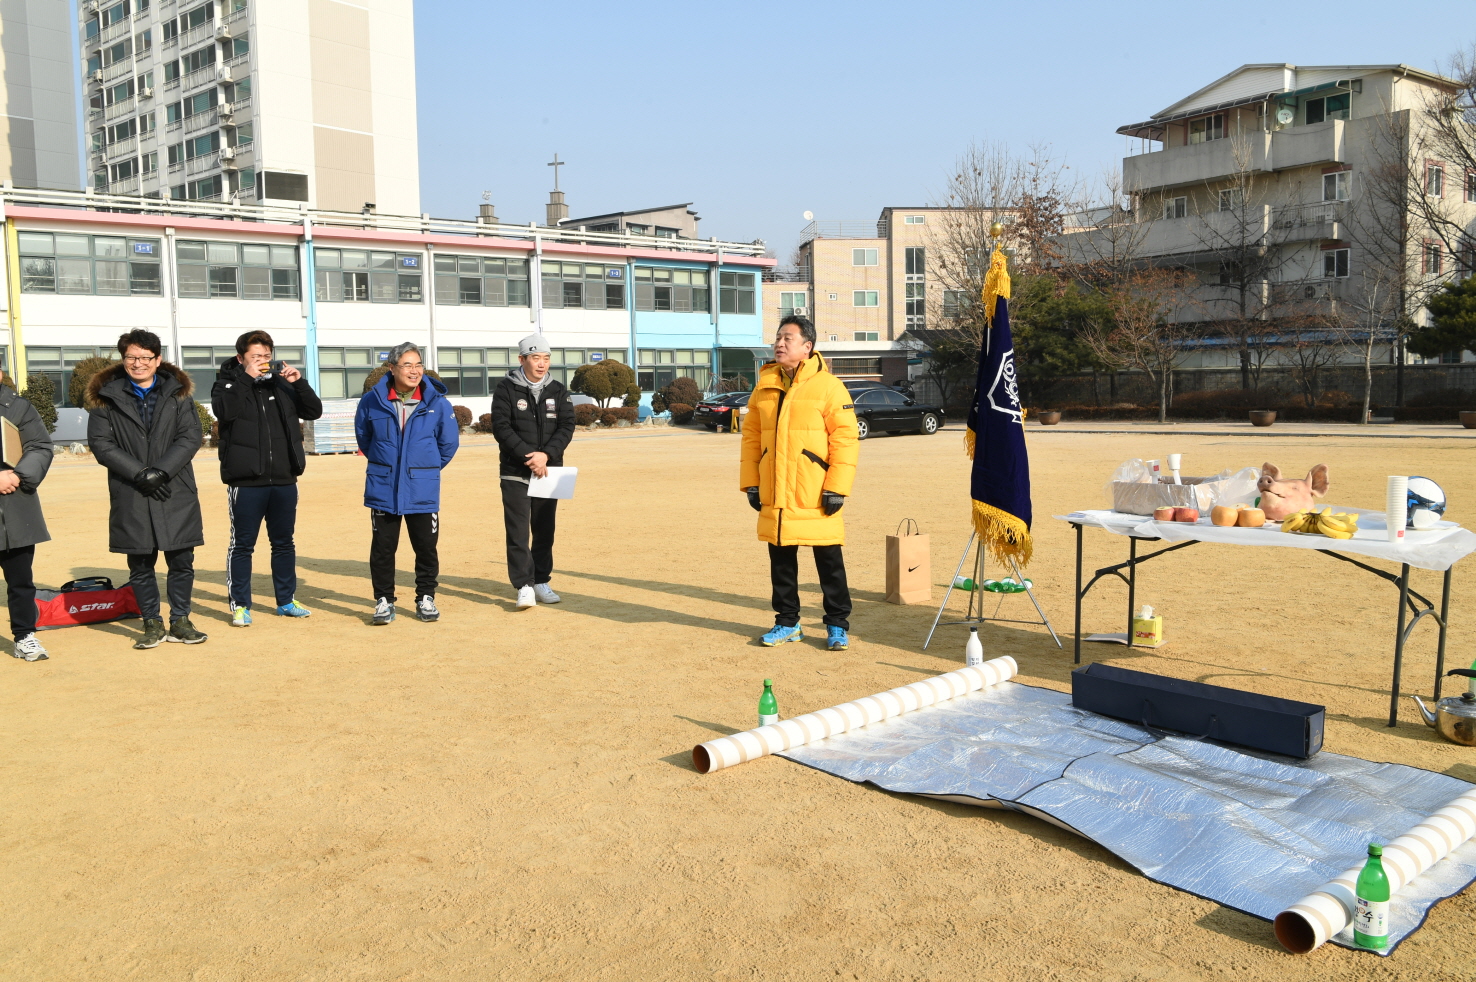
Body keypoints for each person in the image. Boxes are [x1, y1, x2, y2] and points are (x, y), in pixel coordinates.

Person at [739, 314, 859, 650]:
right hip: (775, 489)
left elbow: (846, 439)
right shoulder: (764, 385)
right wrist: (751, 482)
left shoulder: (829, 387)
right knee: (781, 561)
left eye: (787, 338)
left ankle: (837, 624)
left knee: (829, 561)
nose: (779, 343)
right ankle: (787, 622)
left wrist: (837, 486)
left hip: (815, 489)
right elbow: (750, 438)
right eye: (778, 337)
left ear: (807, 347)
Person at [87, 329, 208, 648]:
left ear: (157, 360)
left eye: (145, 357)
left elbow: (190, 436)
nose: (137, 363)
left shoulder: (178, 393)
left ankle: (181, 619)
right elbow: (101, 443)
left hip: (174, 488)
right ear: (123, 359)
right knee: (140, 562)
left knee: (181, 558)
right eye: (131, 357)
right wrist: (140, 472)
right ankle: (151, 622)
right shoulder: (106, 397)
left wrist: (162, 470)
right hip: (132, 489)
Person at [211, 330, 323, 626]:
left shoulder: (281, 384)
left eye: (266, 356)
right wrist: (245, 378)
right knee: (242, 545)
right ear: (241, 358)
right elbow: (224, 412)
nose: (262, 362)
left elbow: (314, 411)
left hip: (284, 479)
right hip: (246, 482)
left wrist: (298, 383)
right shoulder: (226, 383)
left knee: (284, 543)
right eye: (255, 357)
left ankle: (285, 601)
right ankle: (240, 605)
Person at [355, 342, 459, 625]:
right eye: (407, 365)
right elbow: (364, 438)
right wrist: (389, 466)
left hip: (421, 489)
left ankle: (426, 597)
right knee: (383, 547)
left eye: (418, 365)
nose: (414, 371)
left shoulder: (437, 402)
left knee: (426, 546)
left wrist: (424, 470)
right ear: (392, 368)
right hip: (383, 487)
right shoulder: (372, 401)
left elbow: (448, 444)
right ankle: (384, 601)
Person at [491, 334, 575, 610]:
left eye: (546, 358)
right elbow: (502, 428)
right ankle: (524, 585)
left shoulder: (558, 390)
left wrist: (546, 456)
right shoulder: (506, 389)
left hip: (548, 472)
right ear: (522, 359)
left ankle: (541, 580)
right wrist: (531, 457)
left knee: (544, 529)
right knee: (517, 531)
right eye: (536, 358)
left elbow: (567, 426)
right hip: (516, 471)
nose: (542, 364)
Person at [0, 376, 55, 661]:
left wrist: (17, 475)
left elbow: (40, 447)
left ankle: (24, 636)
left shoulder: (19, 408)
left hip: (15, 505)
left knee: (20, 580)